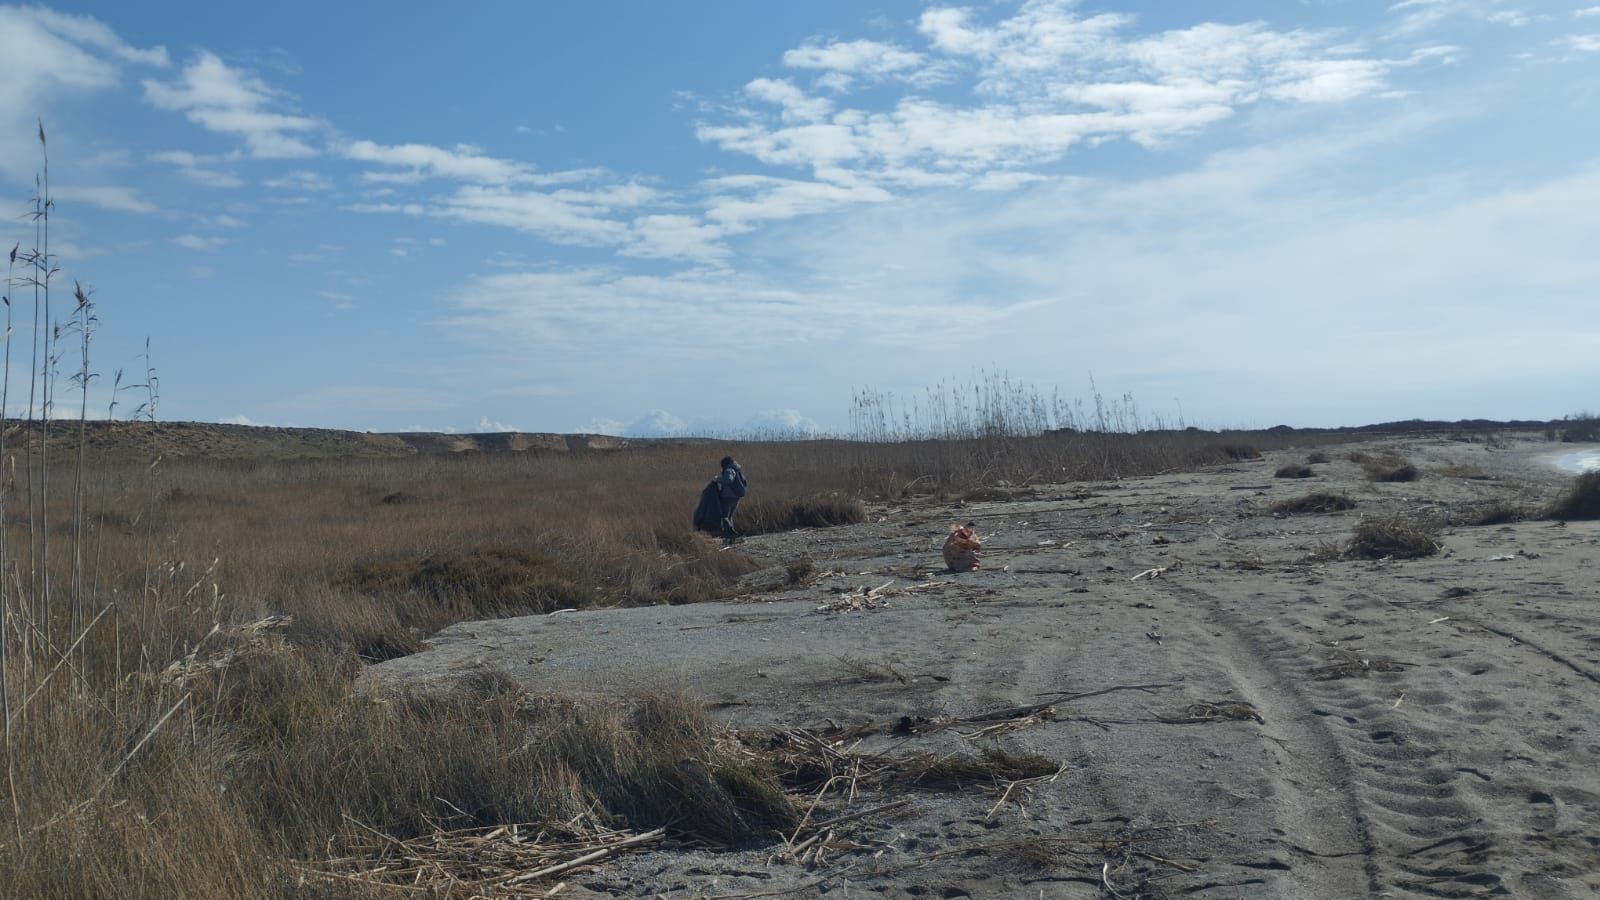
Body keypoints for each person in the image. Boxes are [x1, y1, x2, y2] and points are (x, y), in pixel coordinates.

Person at [716, 455, 747, 541]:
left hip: (728, 496)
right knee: (729, 517)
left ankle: (731, 536)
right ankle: (731, 538)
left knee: (724, 517)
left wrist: (717, 479)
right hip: (736, 496)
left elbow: (728, 480)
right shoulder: (737, 470)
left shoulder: (729, 470)